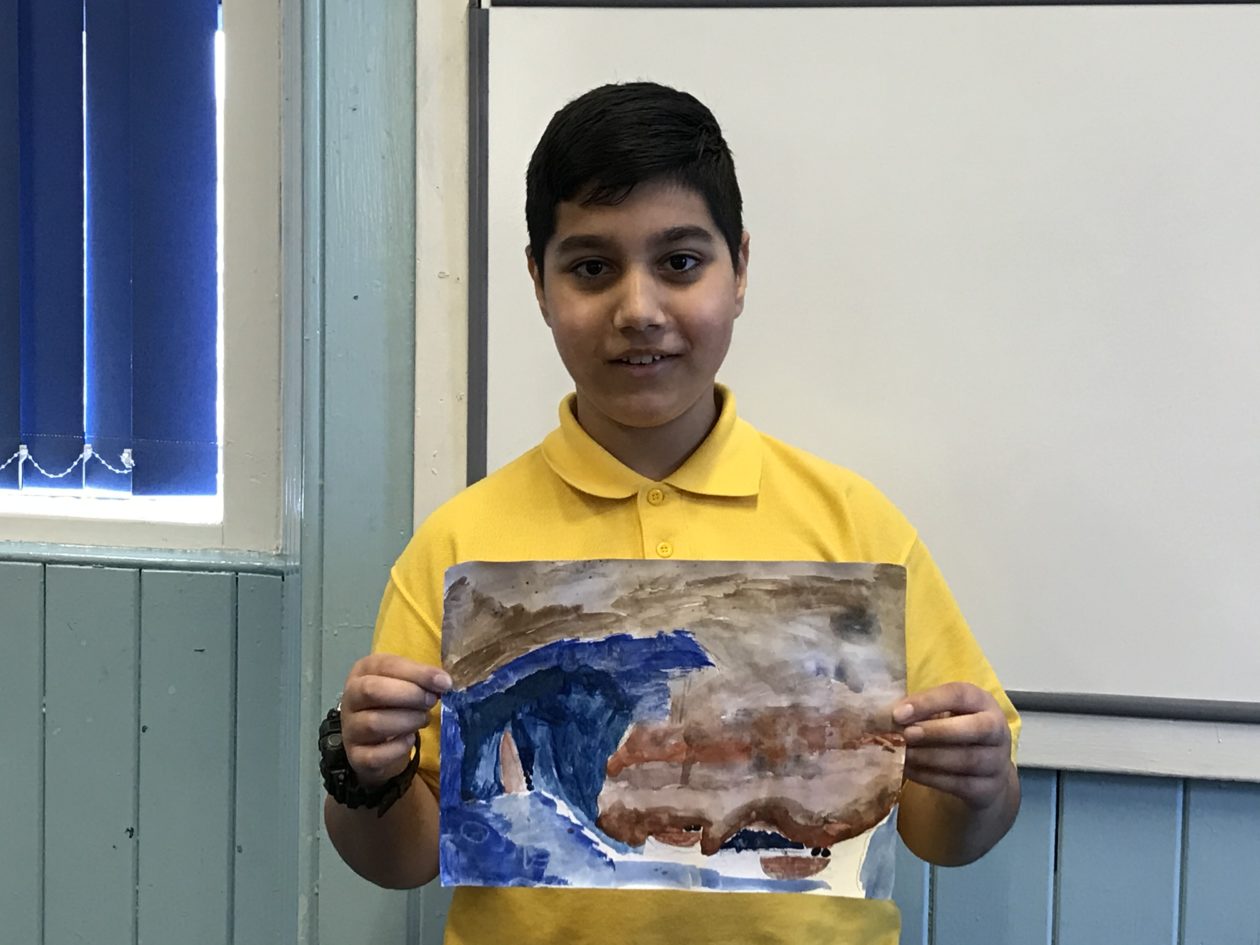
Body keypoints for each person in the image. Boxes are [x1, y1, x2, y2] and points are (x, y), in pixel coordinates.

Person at [323, 81, 1020, 945]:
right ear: (538, 282)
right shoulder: (460, 546)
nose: (639, 309)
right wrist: (368, 773)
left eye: (680, 262)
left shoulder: (856, 528)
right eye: (591, 268)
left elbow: (946, 836)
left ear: (740, 269)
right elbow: (406, 857)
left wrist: (980, 782)